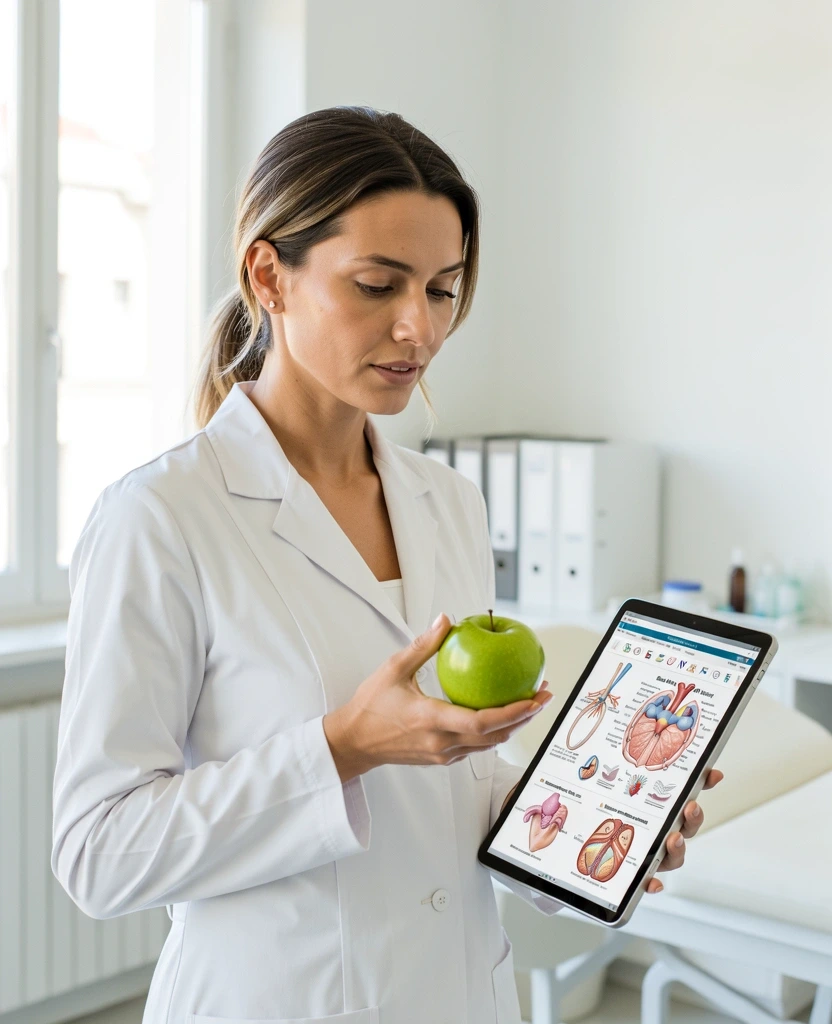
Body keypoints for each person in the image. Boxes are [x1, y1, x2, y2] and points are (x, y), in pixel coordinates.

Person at [51, 106, 723, 1024]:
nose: (419, 328)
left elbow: (457, 799)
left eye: (443, 290)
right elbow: (99, 853)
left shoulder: (449, 503)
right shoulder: (161, 518)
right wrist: (346, 746)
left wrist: (592, 828)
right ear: (268, 276)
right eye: (377, 285)